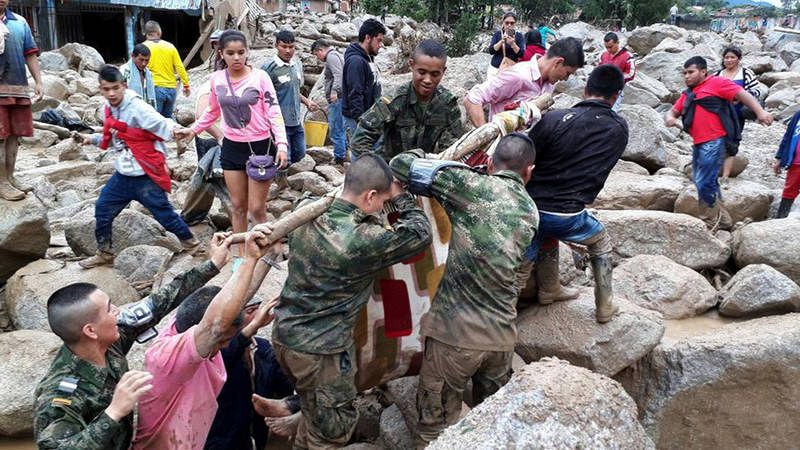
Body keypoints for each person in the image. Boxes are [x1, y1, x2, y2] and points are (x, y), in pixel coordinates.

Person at [270, 154, 432, 448]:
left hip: (285, 335)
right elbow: (420, 234)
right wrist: (399, 196)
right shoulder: (362, 240)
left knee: (316, 409)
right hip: (320, 352)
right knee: (331, 433)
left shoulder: (307, 211)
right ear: (370, 196)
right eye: (381, 201)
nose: (382, 208)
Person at [388, 134, 537, 447]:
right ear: (529, 172)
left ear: (490, 164)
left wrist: (424, 153)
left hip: (454, 339)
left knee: (434, 430)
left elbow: (400, 165)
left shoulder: (470, 186)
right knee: (492, 426)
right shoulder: (530, 210)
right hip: (501, 342)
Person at [33, 234, 232, 449]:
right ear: (90, 330)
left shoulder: (111, 339)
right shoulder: (60, 393)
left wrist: (213, 264)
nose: (118, 311)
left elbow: (159, 302)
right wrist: (114, 412)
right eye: (110, 309)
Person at [133, 230, 279, 449]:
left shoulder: (186, 321)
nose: (226, 345)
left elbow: (230, 302)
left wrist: (266, 256)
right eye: (222, 341)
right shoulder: (167, 356)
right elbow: (216, 325)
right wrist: (249, 259)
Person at [525, 65, 630, 323]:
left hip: (530, 211)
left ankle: (544, 289)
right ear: (616, 96)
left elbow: (525, 157)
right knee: (600, 241)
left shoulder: (553, 119)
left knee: (530, 252)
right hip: (569, 214)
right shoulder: (619, 128)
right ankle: (604, 305)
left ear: (585, 90)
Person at [177, 30, 289, 269]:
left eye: (241, 52)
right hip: (231, 148)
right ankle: (240, 255)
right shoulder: (217, 80)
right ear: (221, 54)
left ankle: (273, 246)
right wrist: (193, 131)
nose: (236, 57)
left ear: (248, 52)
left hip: (260, 147)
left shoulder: (260, 78)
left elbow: (274, 111)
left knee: (257, 208)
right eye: (230, 53)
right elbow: (212, 112)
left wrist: (282, 144)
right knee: (237, 206)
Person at [73, 65, 200, 269]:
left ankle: (194, 247)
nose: (112, 93)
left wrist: (176, 130)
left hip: (146, 175)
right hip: (123, 175)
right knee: (103, 210)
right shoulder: (109, 109)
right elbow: (117, 139)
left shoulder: (137, 107)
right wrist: (91, 139)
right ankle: (104, 252)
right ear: (100, 89)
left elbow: (159, 121)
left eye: (115, 88)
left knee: (165, 215)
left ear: (124, 85)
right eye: (106, 89)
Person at [665, 56, 772, 227]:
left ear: (703, 71)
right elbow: (672, 112)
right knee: (708, 181)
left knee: (703, 180)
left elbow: (743, 94)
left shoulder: (717, 83)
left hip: (715, 141)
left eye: (691, 72)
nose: (686, 76)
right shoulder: (688, 94)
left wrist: (760, 113)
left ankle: (708, 220)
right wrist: (671, 118)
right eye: (684, 73)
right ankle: (722, 220)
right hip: (699, 143)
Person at [204, 261, 297, 449]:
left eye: (257, 309)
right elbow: (228, 355)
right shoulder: (213, 352)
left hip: (255, 433)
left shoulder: (261, 348)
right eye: (249, 311)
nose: (257, 315)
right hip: (222, 438)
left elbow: (285, 383)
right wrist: (253, 328)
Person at [350, 40, 464, 161]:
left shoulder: (447, 104)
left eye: (435, 74)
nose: (427, 80)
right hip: (390, 171)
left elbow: (452, 148)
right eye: (422, 72)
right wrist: (379, 169)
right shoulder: (394, 100)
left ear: (443, 72)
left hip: (425, 170)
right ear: (411, 65)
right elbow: (360, 138)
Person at [465, 37, 584, 127]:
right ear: (558, 62)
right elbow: (473, 98)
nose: (566, 79)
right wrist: (485, 138)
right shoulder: (518, 76)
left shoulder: (549, 85)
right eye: (568, 73)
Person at [0, 0, 42, 201]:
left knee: (14, 135)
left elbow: (30, 54)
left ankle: (10, 177)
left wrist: (39, 82)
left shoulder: (19, 22)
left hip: (17, 87)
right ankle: (1, 183)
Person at [262, 30, 320, 165]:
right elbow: (261, 96)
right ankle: (283, 184)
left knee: (300, 154)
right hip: (279, 123)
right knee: (283, 159)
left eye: (291, 47)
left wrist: (307, 102)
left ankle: (294, 181)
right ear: (276, 45)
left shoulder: (294, 65)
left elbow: (293, 90)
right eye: (284, 47)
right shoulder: (269, 69)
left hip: (296, 121)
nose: (288, 51)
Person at [715, 46, 762, 178]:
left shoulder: (746, 73)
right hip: (719, 114)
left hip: (737, 115)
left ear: (739, 59)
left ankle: (725, 175)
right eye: (726, 57)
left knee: (732, 141)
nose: (729, 60)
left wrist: (740, 96)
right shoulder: (717, 75)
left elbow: (757, 91)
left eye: (732, 57)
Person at [342, 18, 385, 138]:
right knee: (361, 155)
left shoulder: (368, 58)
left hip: (369, 118)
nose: (381, 45)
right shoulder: (356, 62)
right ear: (368, 38)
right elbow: (355, 93)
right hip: (358, 120)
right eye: (379, 40)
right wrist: (361, 122)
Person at [143, 20, 191, 118]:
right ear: (159, 32)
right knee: (168, 119)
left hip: (154, 89)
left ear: (145, 33)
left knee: (155, 119)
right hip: (171, 89)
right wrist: (186, 85)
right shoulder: (170, 46)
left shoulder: (143, 48)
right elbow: (180, 67)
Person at [311, 39, 347, 164]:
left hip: (337, 98)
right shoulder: (336, 55)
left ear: (320, 50)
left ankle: (339, 157)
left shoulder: (331, 57)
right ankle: (343, 153)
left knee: (336, 127)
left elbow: (339, 75)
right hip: (341, 98)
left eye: (316, 55)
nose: (318, 58)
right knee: (340, 126)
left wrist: (334, 92)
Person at [773, 109, 800, 218]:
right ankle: (781, 218)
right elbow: (788, 136)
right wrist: (780, 158)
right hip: (796, 161)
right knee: (790, 190)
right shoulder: (798, 115)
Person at [599, 32, 635, 111]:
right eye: (606, 47)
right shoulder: (603, 55)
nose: (608, 50)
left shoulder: (628, 56)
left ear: (617, 43)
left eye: (610, 47)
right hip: (602, 91)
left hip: (617, 91)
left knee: (612, 113)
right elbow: (599, 69)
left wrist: (615, 77)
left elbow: (631, 74)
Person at [487, 12, 524, 79]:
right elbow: (491, 51)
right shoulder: (497, 34)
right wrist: (501, 41)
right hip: (495, 69)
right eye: (507, 23)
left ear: (515, 24)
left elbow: (521, 54)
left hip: (511, 70)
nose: (509, 25)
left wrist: (513, 44)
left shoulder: (519, 36)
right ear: (503, 23)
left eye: (512, 23)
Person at [120, 44, 156, 109]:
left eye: (147, 60)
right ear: (132, 56)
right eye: (141, 60)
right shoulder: (125, 71)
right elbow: (121, 93)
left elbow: (151, 96)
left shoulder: (147, 73)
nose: (144, 63)